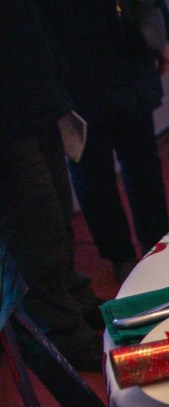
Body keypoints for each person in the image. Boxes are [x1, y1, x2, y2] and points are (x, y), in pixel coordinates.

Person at [38, 0, 169, 283]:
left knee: (141, 160)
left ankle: (155, 246)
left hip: (126, 43)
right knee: (92, 169)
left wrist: (159, 34)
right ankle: (121, 256)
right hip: (71, 56)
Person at [0, 0, 105, 372]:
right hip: (7, 118)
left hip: (35, 89)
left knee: (58, 216)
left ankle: (75, 300)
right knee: (34, 229)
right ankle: (64, 336)